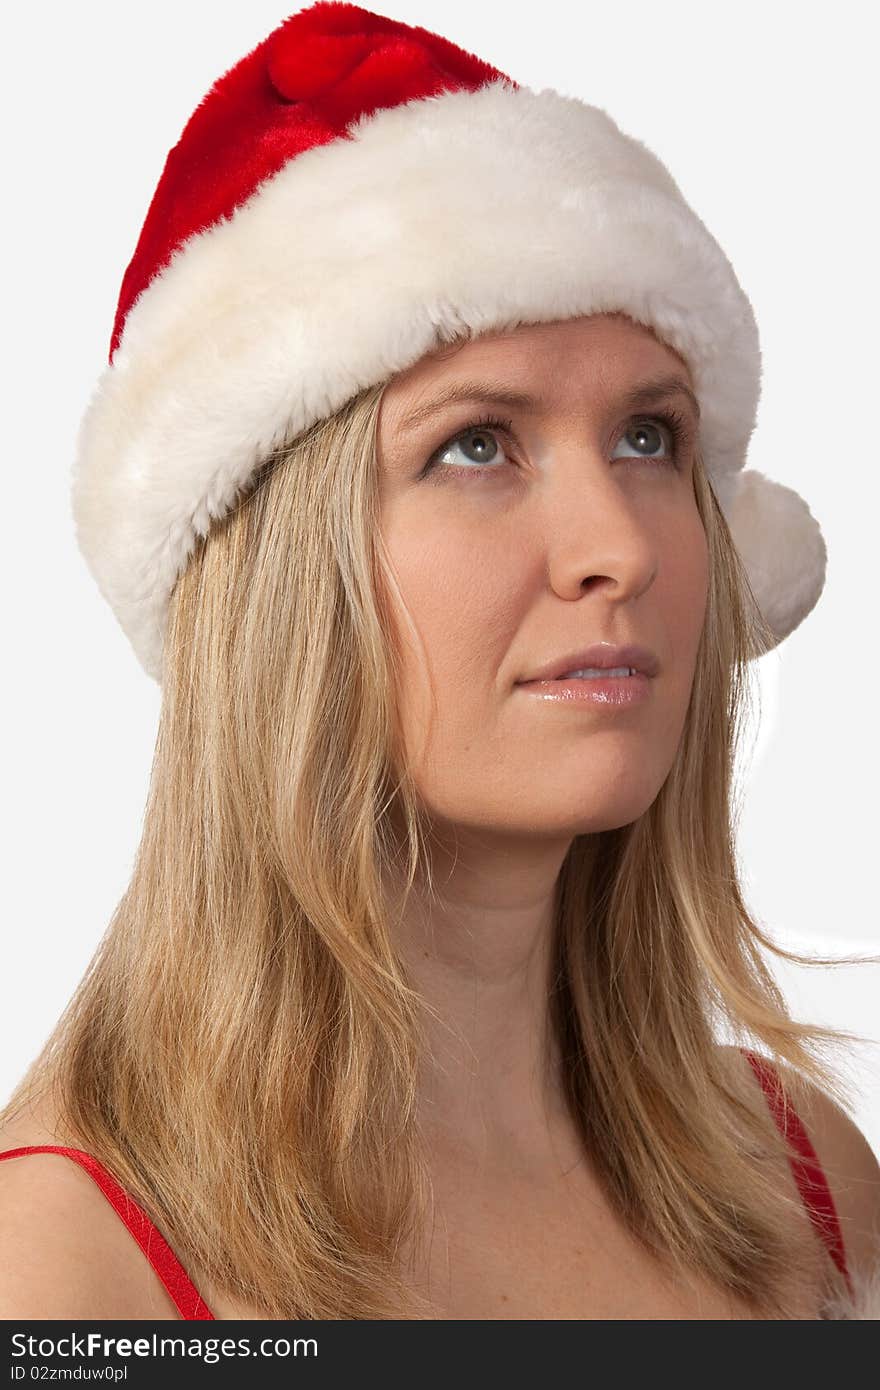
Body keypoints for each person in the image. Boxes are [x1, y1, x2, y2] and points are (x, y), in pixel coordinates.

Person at [1, 1, 878, 1321]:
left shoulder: (806, 1180)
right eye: (477, 443)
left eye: (650, 437)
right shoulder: (75, 1265)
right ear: (281, 586)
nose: (619, 549)